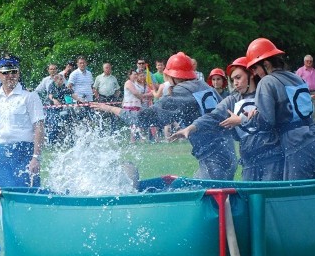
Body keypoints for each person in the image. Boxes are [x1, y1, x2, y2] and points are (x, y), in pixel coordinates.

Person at [93, 52, 229, 176]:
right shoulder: (203, 85)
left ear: (171, 76)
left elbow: (142, 118)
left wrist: (110, 109)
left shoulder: (181, 91)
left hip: (213, 161)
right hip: (226, 151)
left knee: (211, 198)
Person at [246, 37, 315, 180]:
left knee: (295, 198)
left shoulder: (267, 81)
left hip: (297, 145)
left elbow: (267, 122)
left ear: (266, 64)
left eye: (255, 67)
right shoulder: (296, 77)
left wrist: (251, 117)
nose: (255, 73)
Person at [0, 56, 45, 188]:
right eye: (5, 73)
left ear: (18, 73)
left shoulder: (30, 97)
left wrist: (36, 157)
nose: (10, 76)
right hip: (0, 154)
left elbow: (39, 127)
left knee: (27, 196)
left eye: (14, 72)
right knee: (6, 197)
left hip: (23, 152)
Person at [295, 55, 315, 119]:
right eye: (307, 61)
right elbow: (295, 82)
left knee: (313, 110)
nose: (309, 62)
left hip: (314, 93)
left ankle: (312, 126)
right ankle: (305, 126)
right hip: (304, 93)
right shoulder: (300, 70)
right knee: (304, 110)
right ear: (304, 62)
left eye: (310, 61)